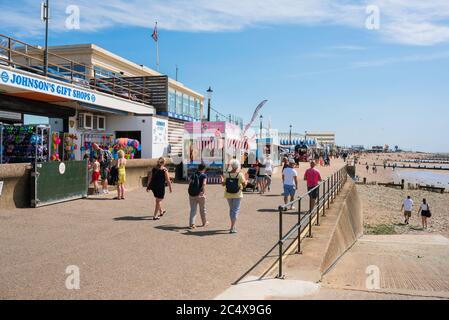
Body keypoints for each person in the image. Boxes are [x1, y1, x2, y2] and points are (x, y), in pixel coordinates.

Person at [222, 159, 247, 234]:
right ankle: (232, 227)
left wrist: (222, 179)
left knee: (231, 209)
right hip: (237, 194)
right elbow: (244, 185)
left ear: (232, 166)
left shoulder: (227, 174)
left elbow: (223, 184)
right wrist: (246, 181)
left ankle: (232, 225)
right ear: (237, 166)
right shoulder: (240, 174)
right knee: (235, 210)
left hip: (228, 194)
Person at [188, 163, 208, 229]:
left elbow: (190, 183)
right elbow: (204, 184)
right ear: (204, 169)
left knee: (193, 210)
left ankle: (192, 224)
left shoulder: (193, 174)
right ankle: (204, 222)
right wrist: (203, 193)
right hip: (200, 194)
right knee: (202, 209)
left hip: (192, 194)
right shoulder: (204, 175)